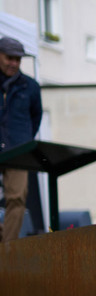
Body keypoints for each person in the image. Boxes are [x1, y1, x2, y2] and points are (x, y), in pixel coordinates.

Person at [0, 37, 42, 244]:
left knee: (16, 199)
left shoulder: (31, 87)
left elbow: (36, 118)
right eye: (9, 58)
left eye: (18, 59)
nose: (14, 63)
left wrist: (23, 141)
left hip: (18, 151)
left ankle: (6, 252)